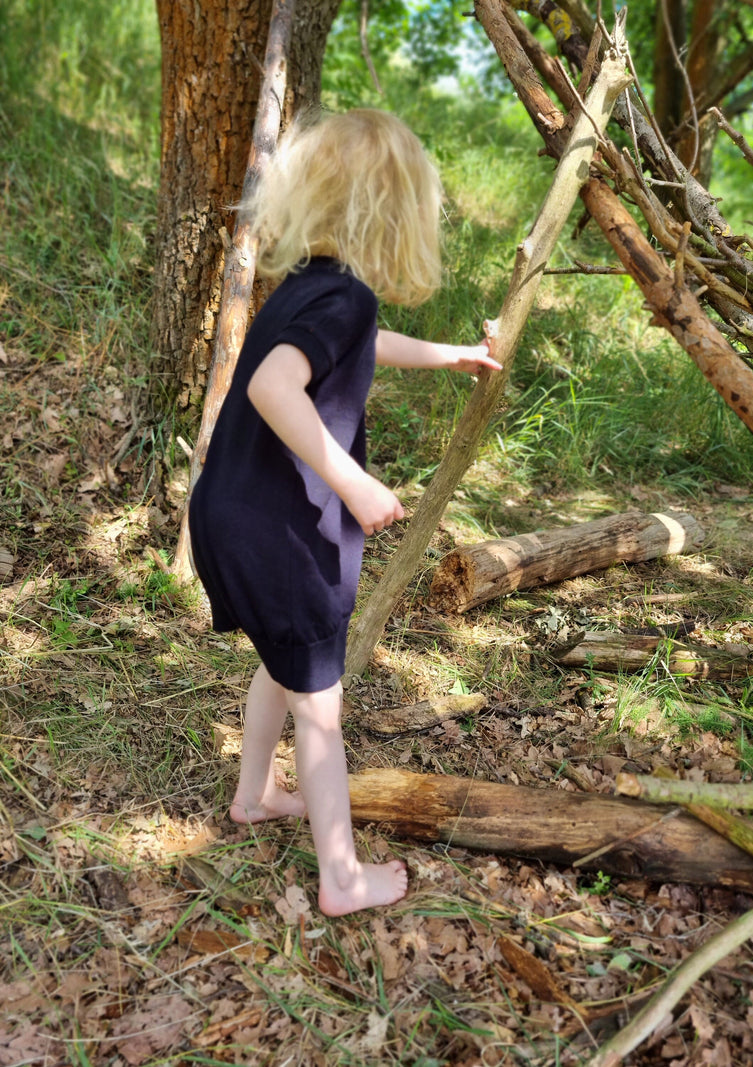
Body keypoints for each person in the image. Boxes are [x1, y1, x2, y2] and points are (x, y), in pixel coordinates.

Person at [188, 108, 501, 917]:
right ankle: (342, 875)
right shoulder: (341, 300)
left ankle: (254, 794)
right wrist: (354, 484)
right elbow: (270, 388)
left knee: (283, 661)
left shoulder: (312, 292)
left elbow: (366, 344)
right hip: (280, 531)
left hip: (231, 516)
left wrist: (454, 354)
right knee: (320, 709)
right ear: (395, 214)